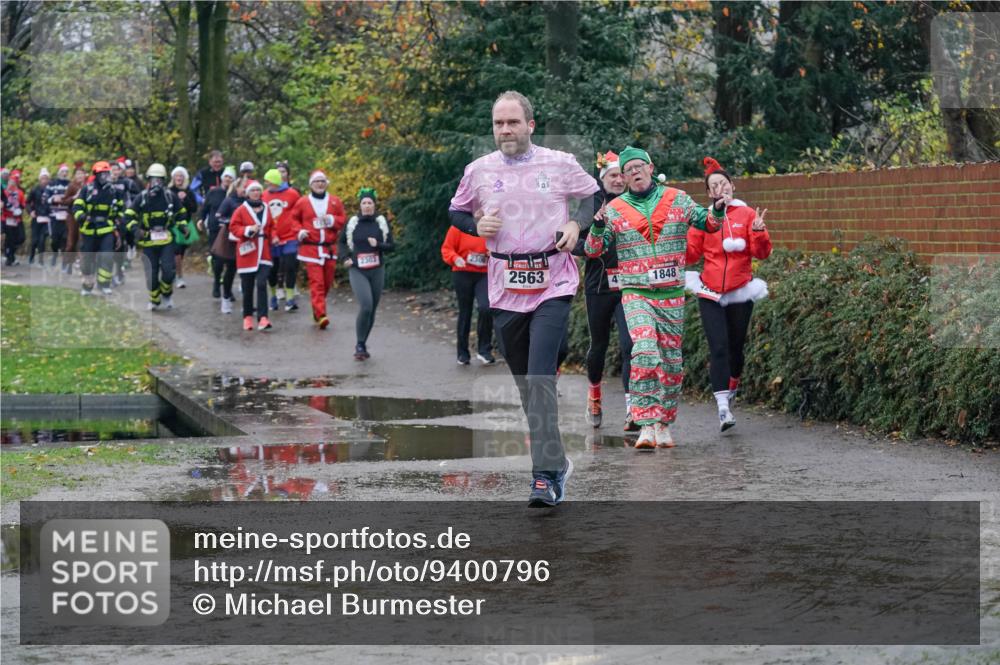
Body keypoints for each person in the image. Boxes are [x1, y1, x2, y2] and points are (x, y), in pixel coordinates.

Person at [448, 90, 598, 507]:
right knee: (527, 387)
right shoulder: (478, 170)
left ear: (530, 125)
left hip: (554, 281)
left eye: (513, 122)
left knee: (539, 380)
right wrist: (476, 221)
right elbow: (455, 210)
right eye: (498, 123)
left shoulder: (560, 163)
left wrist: (574, 223)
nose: (505, 130)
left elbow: (592, 195)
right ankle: (558, 461)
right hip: (504, 287)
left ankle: (544, 477)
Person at [585, 146, 726, 449]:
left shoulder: (677, 198)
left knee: (672, 363)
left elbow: (710, 224)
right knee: (645, 351)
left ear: (650, 168)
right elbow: (593, 250)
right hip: (635, 293)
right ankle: (645, 422)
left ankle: (663, 423)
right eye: (628, 170)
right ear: (622, 177)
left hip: (672, 294)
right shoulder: (614, 209)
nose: (634, 172)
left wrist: (717, 208)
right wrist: (597, 227)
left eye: (639, 166)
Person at [686, 157, 772, 432]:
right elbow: (691, 255)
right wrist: (677, 236)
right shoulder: (704, 217)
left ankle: (733, 384)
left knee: (736, 347)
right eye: (714, 185)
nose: (720, 188)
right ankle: (723, 408)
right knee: (719, 347)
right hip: (709, 290)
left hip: (739, 290)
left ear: (732, 187)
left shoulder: (747, 215)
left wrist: (758, 232)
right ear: (710, 193)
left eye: (724, 183)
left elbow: (762, 253)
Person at [572, 151, 634, 430]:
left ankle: (633, 407)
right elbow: (573, 242)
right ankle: (594, 393)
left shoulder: (635, 204)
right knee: (599, 345)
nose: (618, 180)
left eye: (622, 175)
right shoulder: (590, 207)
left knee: (630, 344)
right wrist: (590, 240)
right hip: (599, 286)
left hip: (630, 285)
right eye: (613, 175)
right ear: (603, 180)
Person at [339, 187, 394, 360]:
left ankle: (363, 343)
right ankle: (359, 344)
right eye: (364, 203)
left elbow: (392, 246)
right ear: (360, 205)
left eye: (370, 203)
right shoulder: (353, 222)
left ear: (374, 205)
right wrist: (345, 258)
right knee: (366, 305)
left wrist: (378, 244)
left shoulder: (381, 222)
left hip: (377, 269)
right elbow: (341, 243)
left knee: (372, 309)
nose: (367, 206)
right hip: (358, 269)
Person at [125, 163, 189, 310]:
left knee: (168, 271)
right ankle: (154, 300)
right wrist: (136, 230)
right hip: (148, 240)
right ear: (148, 180)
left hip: (166, 239)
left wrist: (183, 226)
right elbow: (128, 217)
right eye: (154, 180)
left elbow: (181, 214)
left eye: (159, 180)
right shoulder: (141, 198)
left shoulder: (169, 197)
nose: (156, 183)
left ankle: (166, 294)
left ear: (164, 181)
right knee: (151, 275)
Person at [291, 170, 346, 329]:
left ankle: (317, 308)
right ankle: (321, 314)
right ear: (311, 185)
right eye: (317, 181)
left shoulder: (335, 201)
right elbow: (294, 219)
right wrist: (299, 231)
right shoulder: (302, 202)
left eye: (322, 181)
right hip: (311, 249)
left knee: (327, 282)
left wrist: (332, 220)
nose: (320, 184)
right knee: (317, 283)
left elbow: (343, 220)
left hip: (329, 249)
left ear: (326, 183)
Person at [440, 221, 494, 365]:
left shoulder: (491, 226)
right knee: (465, 312)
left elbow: (501, 247)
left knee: (486, 308)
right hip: (462, 273)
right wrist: (455, 258)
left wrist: (493, 254)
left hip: (484, 274)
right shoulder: (458, 227)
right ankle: (462, 353)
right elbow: (447, 249)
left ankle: (484, 350)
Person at [228, 180, 279, 330]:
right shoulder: (241, 210)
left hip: (264, 252)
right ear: (247, 193)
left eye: (258, 190)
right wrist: (247, 230)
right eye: (253, 190)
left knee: (262, 283)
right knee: (247, 286)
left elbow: (272, 227)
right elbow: (233, 227)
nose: (256, 193)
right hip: (247, 252)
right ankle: (248, 317)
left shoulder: (267, 208)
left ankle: (263, 318)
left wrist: (274, 236)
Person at [73, 161, 124, 295]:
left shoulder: (114, 191)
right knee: (87, 260)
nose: (105, 176)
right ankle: (87, 286)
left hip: (107, 229)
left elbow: (121, 209)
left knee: (107, 256)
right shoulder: (87, 189)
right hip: (89, 229)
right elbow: (77, 207)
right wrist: (82, 216)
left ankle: (104, 284)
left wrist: (118, 221)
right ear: (96, 174)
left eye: (107, 173)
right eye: (102, 174)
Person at [262, 168, 302, 311]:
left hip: (290, 236)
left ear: (277, 182)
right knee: (272, 269)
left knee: (290, 265)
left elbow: (300, 212)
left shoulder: (292, 194)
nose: (268, 186)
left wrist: (300, 230)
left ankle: (290, 298)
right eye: (266, 183)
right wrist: (271, 235)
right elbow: (262, 216)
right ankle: (273, 296)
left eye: (270, 183)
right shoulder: (264, 195)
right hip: (271, 239)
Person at [198, 165, 235, 299]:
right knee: (218, 260)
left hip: (231, 231)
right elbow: (205, 208)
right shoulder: (213, 192)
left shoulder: (235, 195)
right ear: (221, 178)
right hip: (215, 229)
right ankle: (216, 283)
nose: (227, 179)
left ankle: (228, 289)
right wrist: (201, 220)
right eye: (226, 176)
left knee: (231, 262)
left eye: (230, 177)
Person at [211, 175, 246, 314]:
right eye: (243, 187)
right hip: (229, 238)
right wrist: (232, 222)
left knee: (244, 271)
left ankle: (247, 303)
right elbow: (218, 215)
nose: (245, 189)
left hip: (245, 237)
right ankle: (225, 296)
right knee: (230, 269)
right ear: (237, 188)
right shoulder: (229, 200)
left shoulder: (250, 201)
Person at [169, 166, 198, 288]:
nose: (179, 178)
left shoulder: (189, 191)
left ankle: (176, 274)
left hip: (186, 225)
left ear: (184, 178)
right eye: (177, 175)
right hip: (172, 225)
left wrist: (185, 198)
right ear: (173, 177)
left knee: (181, 253)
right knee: (176, 252)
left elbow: (194, 208)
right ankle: (178, 277)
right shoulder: (169, 191)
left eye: (181, 176)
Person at [60, 166, 87, 274]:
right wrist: (73, 198)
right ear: (75, 176)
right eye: (78, 174)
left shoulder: (88, 186)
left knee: (82, 241)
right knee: (71, 241)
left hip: (84, 216)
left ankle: (81, 264)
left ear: (85, 175)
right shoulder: (72, 186)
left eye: (82, 174)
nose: (80, 176)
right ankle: (67, 263)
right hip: (72, 216)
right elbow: (64, 201)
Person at [45, 164, 72, 269]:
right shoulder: (52, 184)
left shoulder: (71, 185)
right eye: (63, 172)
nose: (64, 174)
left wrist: (67, 200)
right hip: (54, 216)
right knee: (55, 240)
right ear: (59, 173)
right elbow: (45, 198)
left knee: (65, 239)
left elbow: (75, 198)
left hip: (67, 216)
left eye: (66, 172)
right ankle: (55, 253)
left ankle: (65, 262)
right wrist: (52, 199)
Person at [27, 168, 52, 266]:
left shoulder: (51, 189)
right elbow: (27, 202)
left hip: (47, 218)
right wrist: (31, 211)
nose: (44, 180)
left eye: (46, 178)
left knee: (42, 240)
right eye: (43, 178)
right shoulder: (35, 189)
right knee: (35, 241)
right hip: (36, 218)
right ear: (40, 179)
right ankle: (32, 257)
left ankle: (41, 260)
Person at [2, 171, 26, 266]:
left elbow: (23, 204)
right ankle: (9, 257)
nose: (11, 184)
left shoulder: (20, 193)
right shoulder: (4, 192)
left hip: (17, 219)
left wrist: (20, 209)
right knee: (10, 239)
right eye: (10, 182)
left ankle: (10, 252)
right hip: (6, 218)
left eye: (14, 182)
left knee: (21, 238)